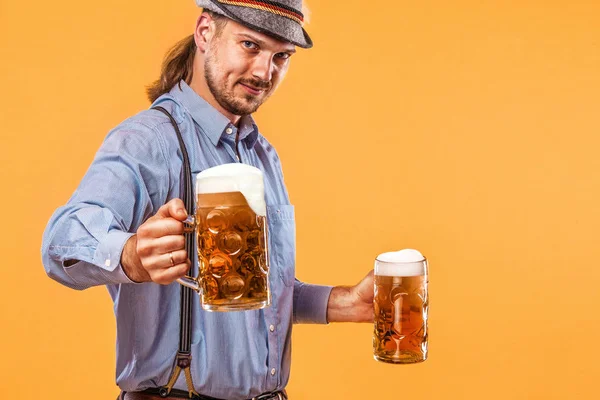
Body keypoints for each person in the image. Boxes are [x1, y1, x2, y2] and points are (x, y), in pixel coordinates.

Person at [41, 1, 374, 399]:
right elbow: (60, 243)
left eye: (281, 56)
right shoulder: (149, 141)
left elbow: (254, 292)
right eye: (250, 45)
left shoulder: (262, 155)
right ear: (204, 33)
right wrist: (130, 254)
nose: (264, 73)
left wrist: (344, 302)